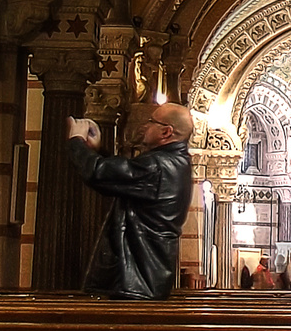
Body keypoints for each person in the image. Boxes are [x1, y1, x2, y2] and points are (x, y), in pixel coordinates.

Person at [65, 103, 194, 300]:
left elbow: (97, 173)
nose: (145, 126)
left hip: (135, 284)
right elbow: (124, 176)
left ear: (166, 132)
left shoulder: (158, 166)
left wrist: (76, 140)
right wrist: (99, 151)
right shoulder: (175, 163)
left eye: (151, 122)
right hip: (146, 281)